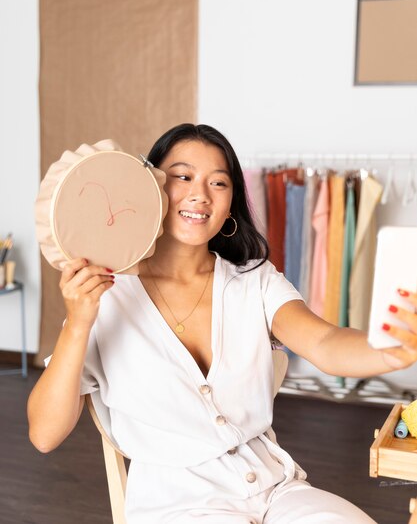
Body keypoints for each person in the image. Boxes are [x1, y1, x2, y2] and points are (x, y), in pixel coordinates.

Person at [28, 123, 417, 524]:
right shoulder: (103, 296)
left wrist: (391, 352)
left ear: (231, 203)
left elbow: (324, 343)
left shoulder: (255, 280)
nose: (200, 194)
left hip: (274, 490)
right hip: (177, 505)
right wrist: (78, 323)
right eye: (182, 176)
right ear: (151, 187)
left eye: (219, 183)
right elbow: (44, 435)